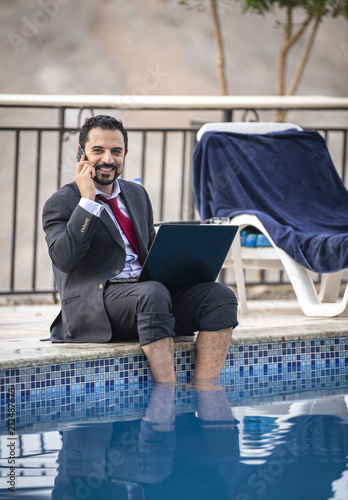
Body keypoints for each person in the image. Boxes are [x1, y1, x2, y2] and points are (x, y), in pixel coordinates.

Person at [42, 115, 238, 383]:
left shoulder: (136, 194)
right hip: (96, 305)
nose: (108, 160)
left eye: (116, 151)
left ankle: (204, 392)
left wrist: (186, 258)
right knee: (153, 293)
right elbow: (64, 259)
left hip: (146, 298)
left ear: (125, 154)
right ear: (81, 154)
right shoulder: (62, 202)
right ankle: (166, 396)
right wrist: (87, 201)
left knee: (220, 296)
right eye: (98, 151)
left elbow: (149, 251)